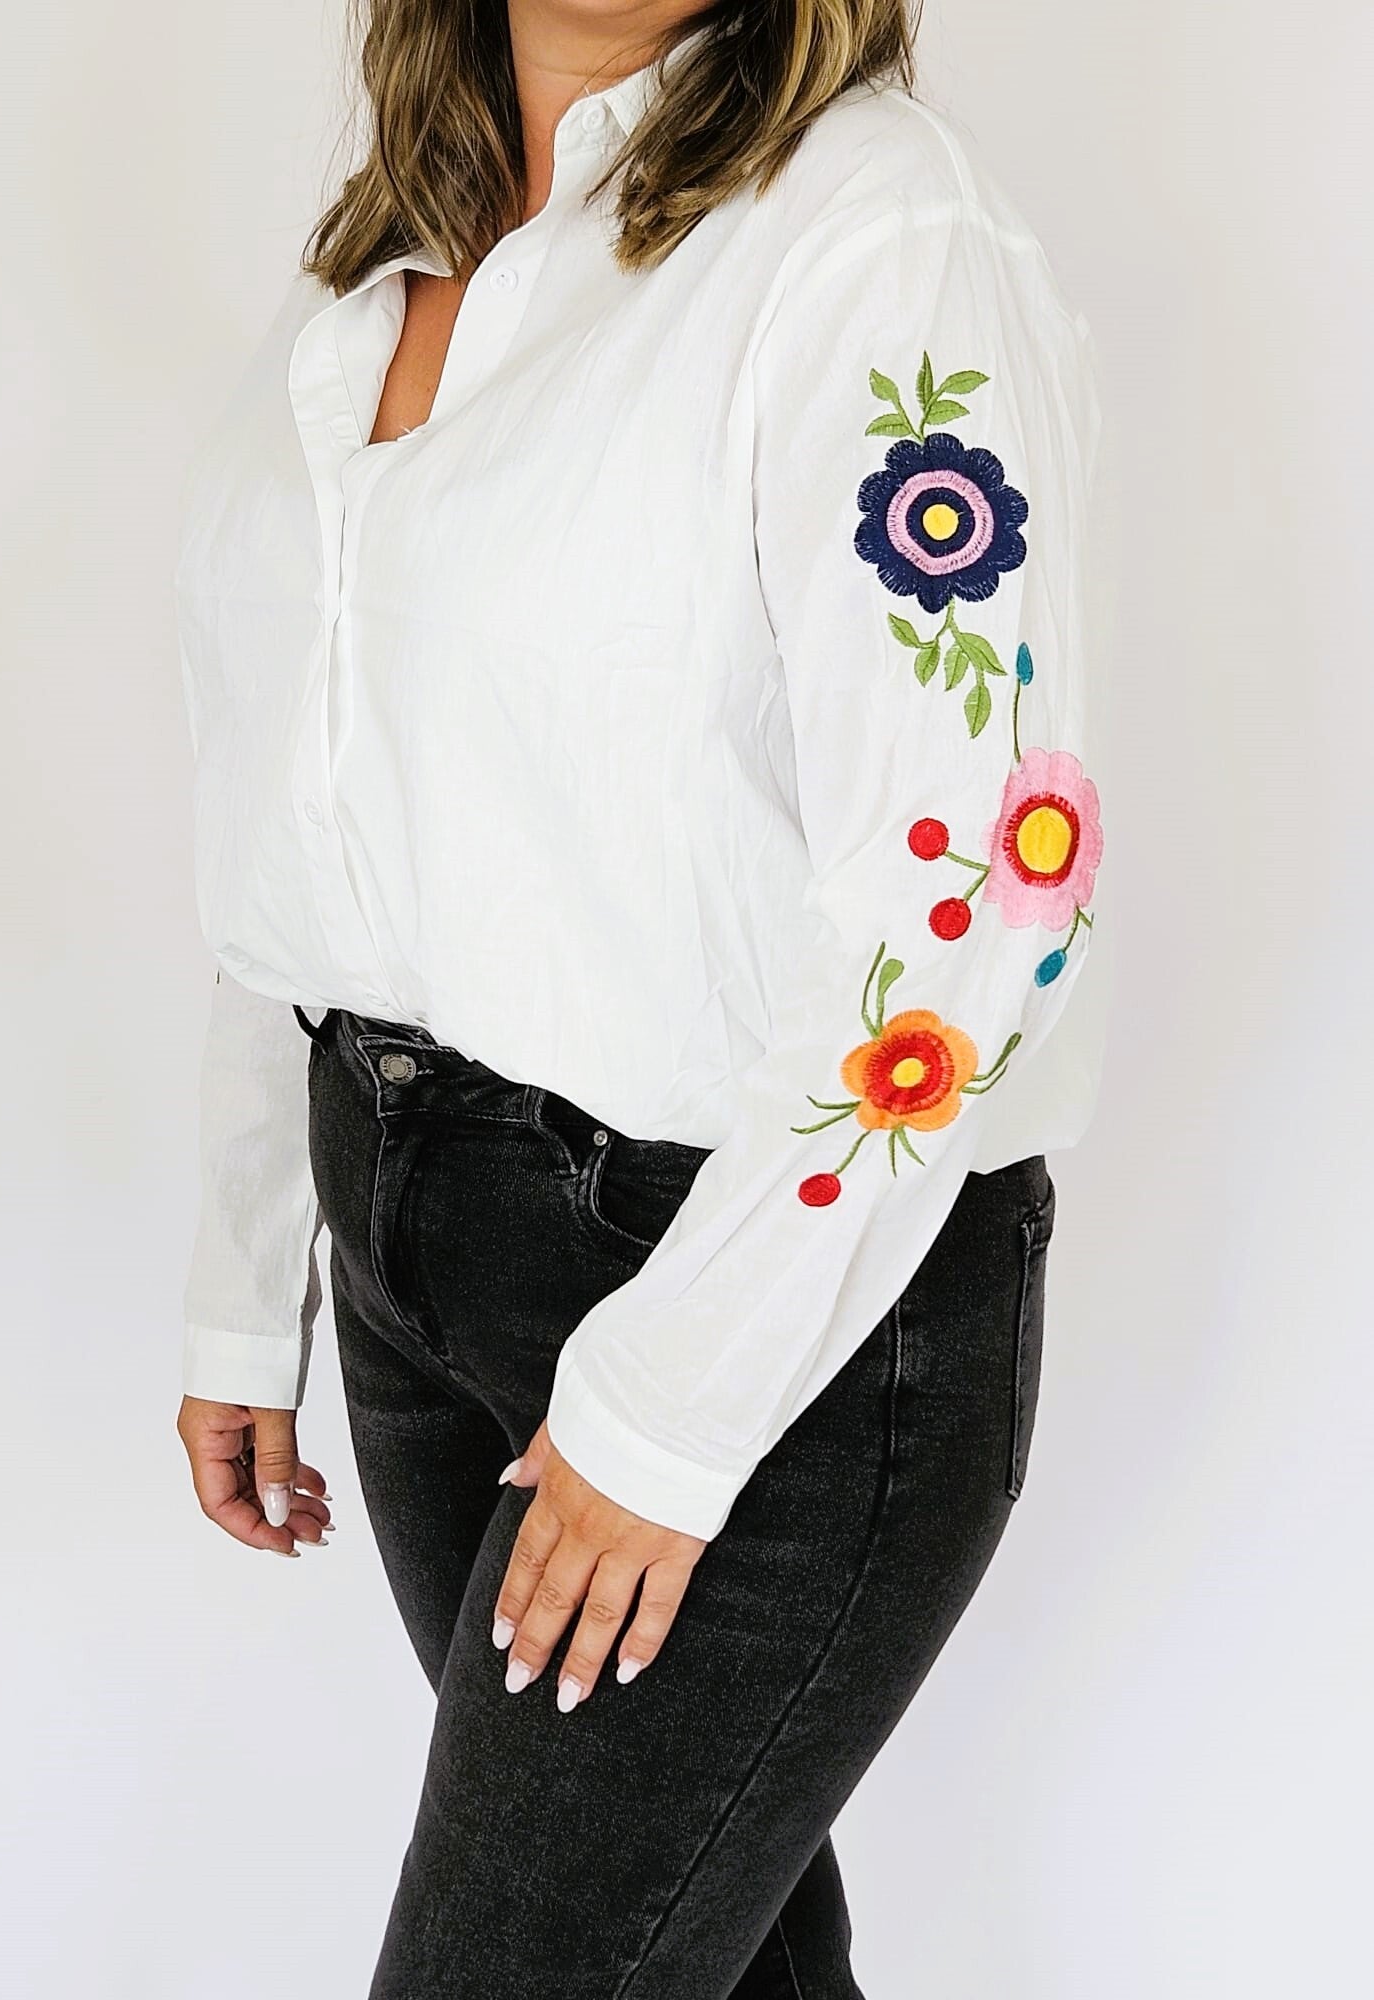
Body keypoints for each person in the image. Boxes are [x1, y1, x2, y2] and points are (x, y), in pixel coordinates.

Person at [173, 2, 1107, 1992]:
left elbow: (979, 881)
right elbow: (293, 786)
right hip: (414, 1256)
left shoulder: (869, 229)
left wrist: (674, 1403)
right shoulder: (391, 250)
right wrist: (251, 1267)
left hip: (762, 1301)